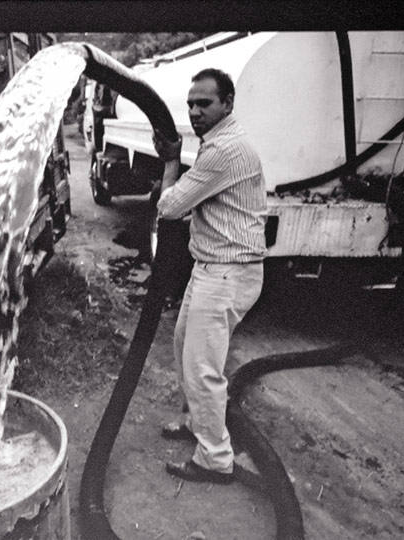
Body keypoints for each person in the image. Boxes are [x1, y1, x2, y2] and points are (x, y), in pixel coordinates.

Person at [152, 68, 267, 484]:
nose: (196, 111)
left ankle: (215, 459)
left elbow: (171, 206)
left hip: (225, 274)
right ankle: (198, 423)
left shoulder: (225, 151)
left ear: (228, 103)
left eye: (205, 103)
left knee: (203, 368)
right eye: (191, 105)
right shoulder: (218, 143)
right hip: (214, 269)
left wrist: (169, 161)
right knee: (187, 346)